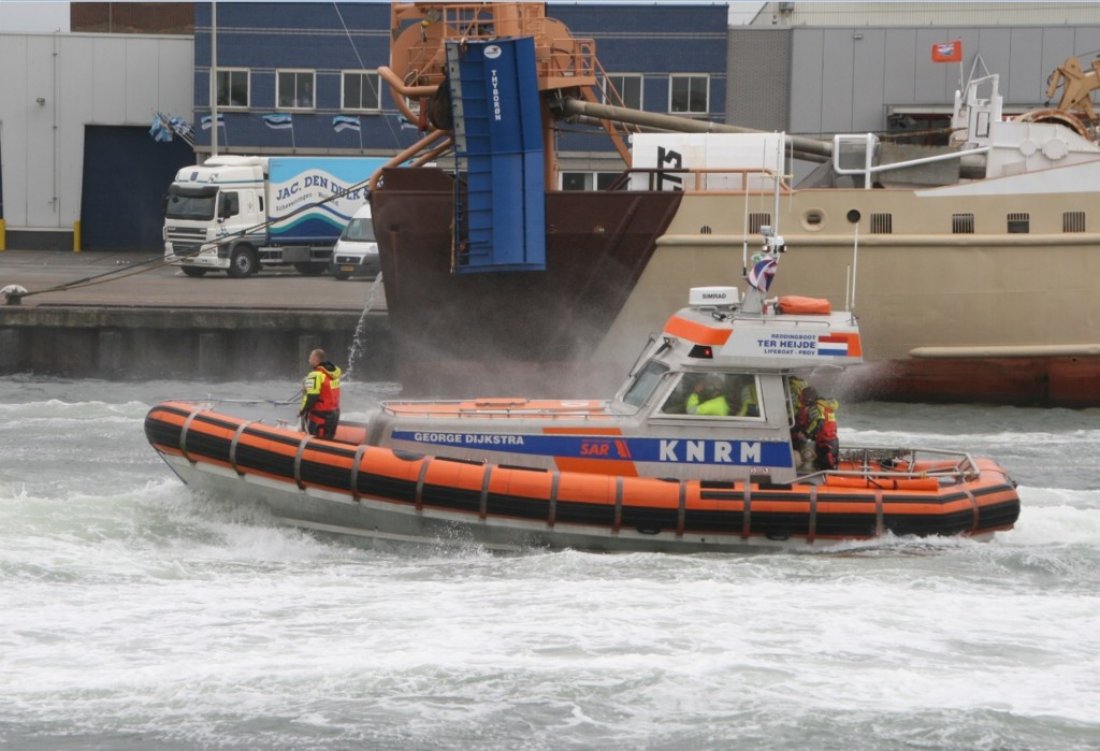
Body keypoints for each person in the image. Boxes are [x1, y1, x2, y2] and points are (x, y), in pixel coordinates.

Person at [299, 348, 342, 438]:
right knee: (328, 438)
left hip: (320, 414)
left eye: (310, 357)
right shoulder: (334, 374)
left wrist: (303, 410)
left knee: (314, 440)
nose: (308, 359)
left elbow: (312, 396)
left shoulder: (315, 375)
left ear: (315, 359)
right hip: (334, 413)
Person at [800, 385, 840, 471]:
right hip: (832, 439)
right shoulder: (825, 405)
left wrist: (807, 433)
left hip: (825, 441)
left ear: (809, 398)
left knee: (825, 465)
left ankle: (829, 479)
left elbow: (818, 421)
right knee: (831, 463)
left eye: (803, 397)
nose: (802, 400)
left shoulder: (816, 407)